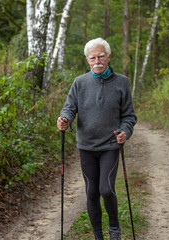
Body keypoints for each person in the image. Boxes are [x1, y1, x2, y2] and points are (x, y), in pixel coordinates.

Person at [56, 38, 137, 240]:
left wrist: (125, 131)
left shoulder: (122, 82)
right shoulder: (79, 82)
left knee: (106, 189)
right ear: (87, 59)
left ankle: (115, 229)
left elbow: (129, 116)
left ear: (109, 57)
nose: (97, 61)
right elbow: (69, 108)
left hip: (110, 144)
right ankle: (99, 237)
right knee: (92, 192)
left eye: (101, 56)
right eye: (92, 57)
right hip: (86, 146)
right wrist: (64, 119)